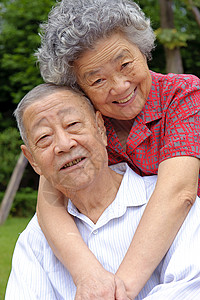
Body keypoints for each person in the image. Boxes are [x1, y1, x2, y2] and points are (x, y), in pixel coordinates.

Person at [35, 0, 200, 298]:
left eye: (125, 65)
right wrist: (89, 276)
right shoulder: (84, 127)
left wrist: (117, 291)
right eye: (97, 80)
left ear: (143, 50)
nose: (120, 86)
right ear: (78, 89)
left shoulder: (182, 94)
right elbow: (49, 201)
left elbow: (180, 193)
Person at [5, 84, 200, 300]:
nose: (64, 144)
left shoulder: (177, 207)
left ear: (101, 128)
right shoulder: (35, 240)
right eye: (44, 138)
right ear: (32, 160)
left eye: (72, 124)